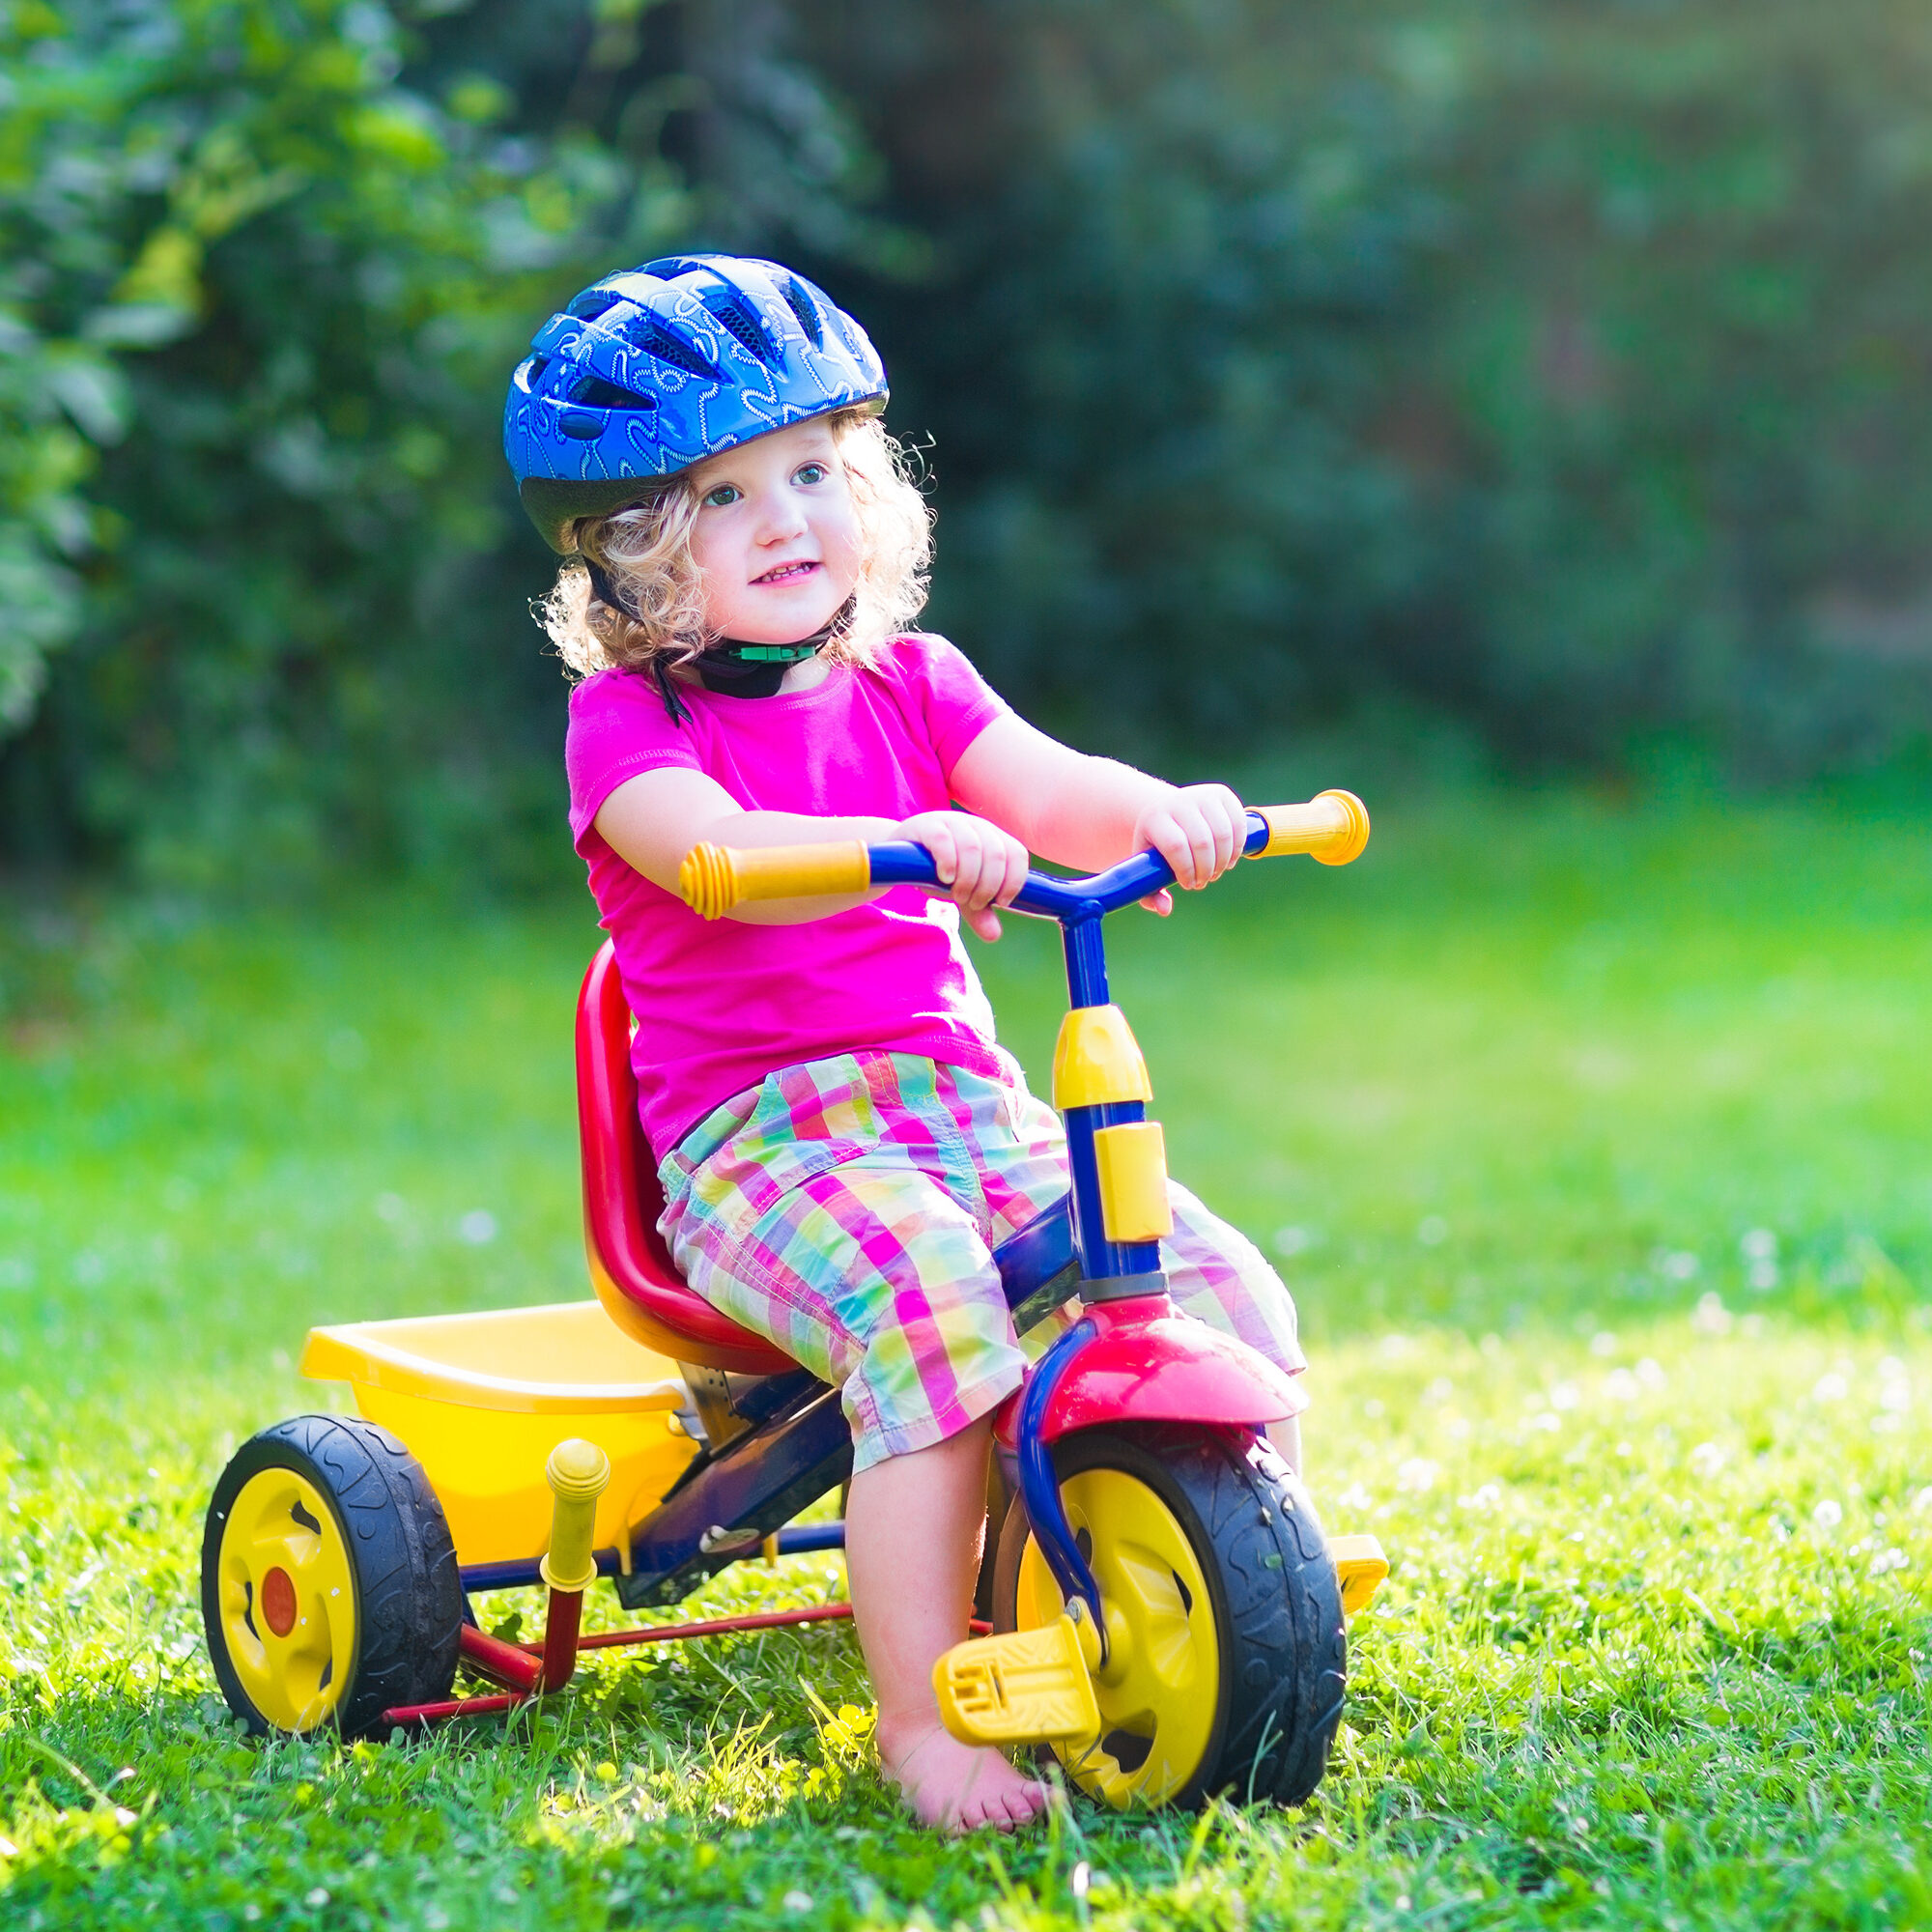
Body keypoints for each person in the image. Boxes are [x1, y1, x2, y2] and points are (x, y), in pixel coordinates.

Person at [505, 256, 1306, 1832]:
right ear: (635, 552)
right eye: (726, 495)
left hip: (965, 1108)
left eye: (815, 469)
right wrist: (910, 842)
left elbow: (1054, 783)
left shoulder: (912, 683)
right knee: (935, 1311)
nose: (789, 516)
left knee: (1217, 1281)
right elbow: (712, 853)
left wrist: (1168, 814)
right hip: (767, 1148)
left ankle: (1229, 1577)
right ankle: (929, 1721)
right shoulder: (632, 728)